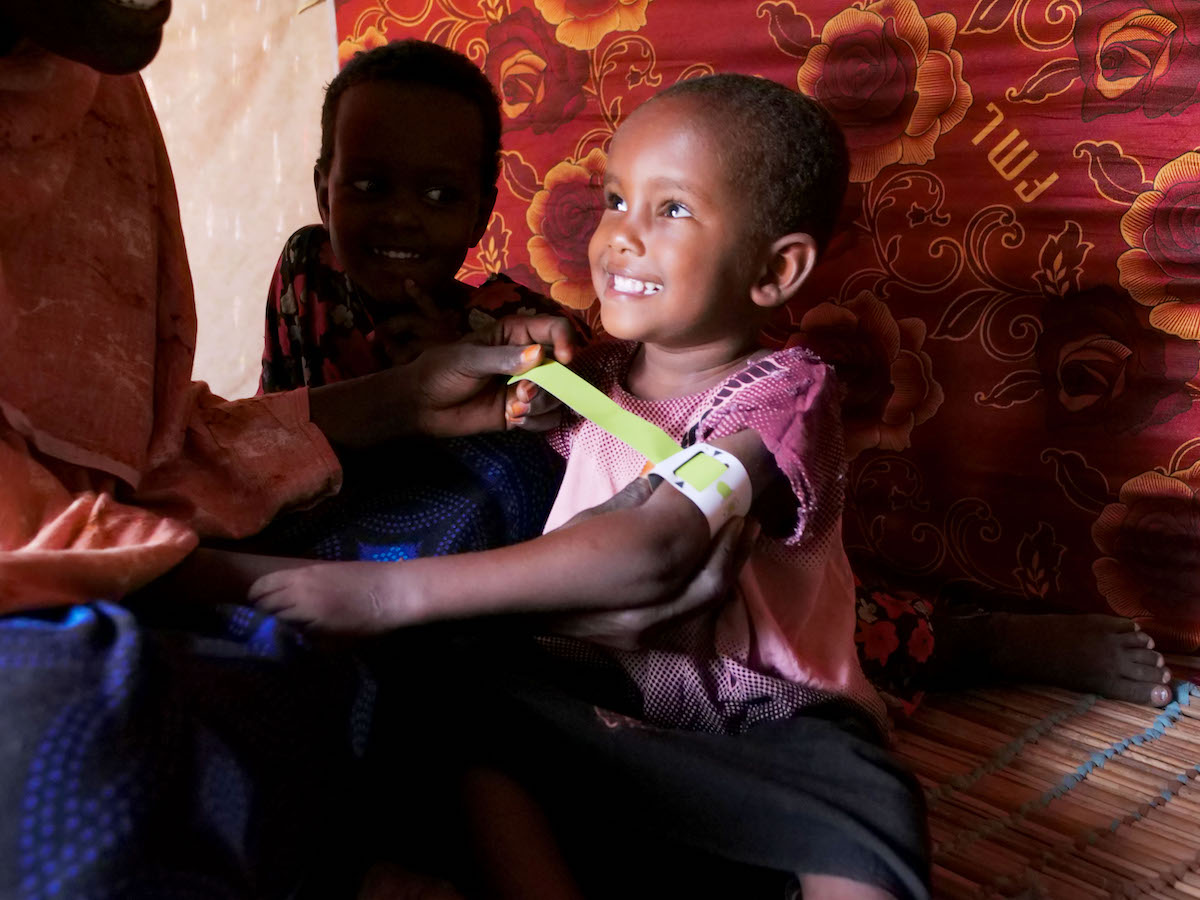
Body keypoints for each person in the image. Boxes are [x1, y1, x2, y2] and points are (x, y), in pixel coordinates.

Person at [0, 8, 743, 897]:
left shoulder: (503, 320)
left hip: (260, 524)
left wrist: (449, 400)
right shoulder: (308, 274)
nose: (400, 220)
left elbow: (171, 443)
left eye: (439, 196)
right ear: (324, 190)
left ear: (479, 208)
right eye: (369, 187)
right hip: (220, 541)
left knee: (483, 522)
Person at [251, 74, 931, 900]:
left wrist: (386, 596)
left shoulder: (782, 396)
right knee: (467, 724)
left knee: (868, 796)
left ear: (775, 269)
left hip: (766, 720)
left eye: (671, 210)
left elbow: (661, 540)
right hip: (601, 697)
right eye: (615, 199)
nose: (620, 237)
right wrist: (523, 402)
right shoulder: (590, 377)